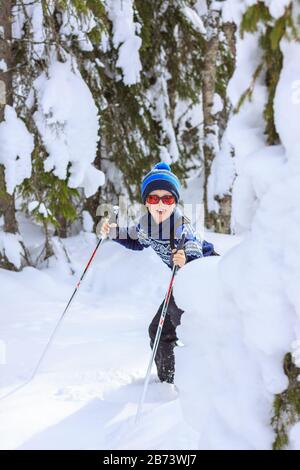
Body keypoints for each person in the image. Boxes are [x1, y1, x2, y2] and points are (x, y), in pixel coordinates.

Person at [100, 162, 203, 383]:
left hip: (202, 281)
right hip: (181, 283)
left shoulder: (181, 226)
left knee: (201, 334)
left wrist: (186, 259)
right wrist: (113, 232)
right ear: (146, 202)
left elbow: (196, 251)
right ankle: (171, 382)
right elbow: (136, 240)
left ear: (174, 202)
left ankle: (203, 384)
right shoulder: (147, 224)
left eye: (167, 199)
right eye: (154, 198)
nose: (160, 204)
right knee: (158, 333)